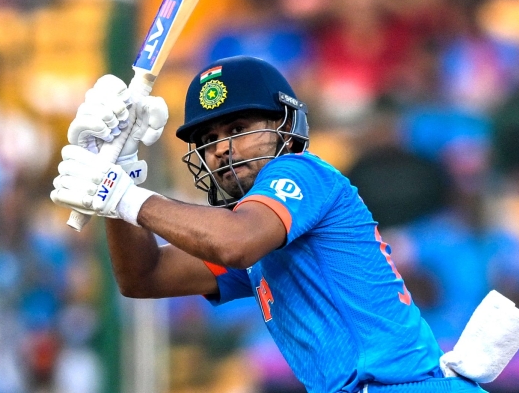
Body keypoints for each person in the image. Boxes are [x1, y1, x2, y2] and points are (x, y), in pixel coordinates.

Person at [50, 55, 481, 393]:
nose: (220, 149)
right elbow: (144, 276)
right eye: (207, 141)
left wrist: (123, 194)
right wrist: (122, 176)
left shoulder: (300, 172)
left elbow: (237, 243)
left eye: (237, 128)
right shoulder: (253, 229)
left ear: (285, 127)